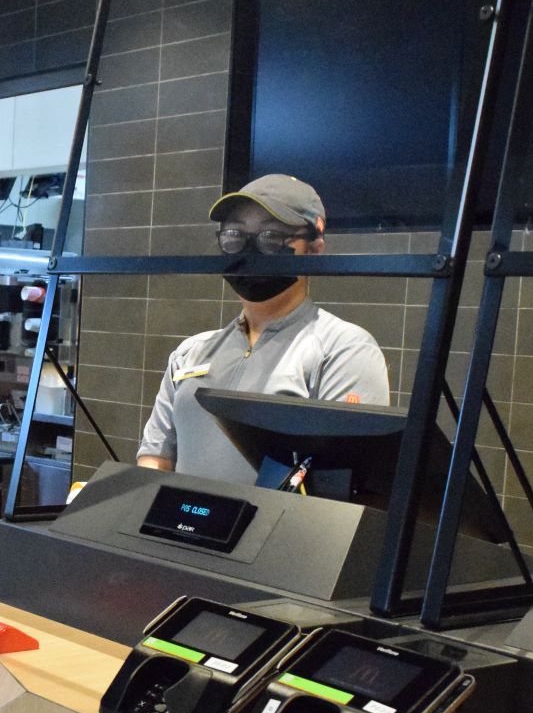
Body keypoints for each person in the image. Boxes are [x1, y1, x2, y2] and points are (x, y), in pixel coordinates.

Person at [137, 174, 390, 485]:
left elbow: (339, 490)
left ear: (313, 249)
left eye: (271, 237)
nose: (249, 250)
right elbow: (155, 459)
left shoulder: (344, 350)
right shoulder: (189, 353)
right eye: (234, 235)